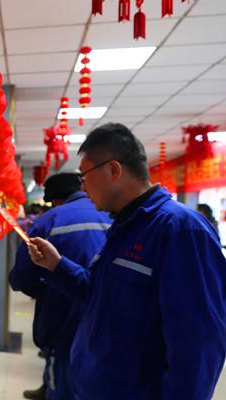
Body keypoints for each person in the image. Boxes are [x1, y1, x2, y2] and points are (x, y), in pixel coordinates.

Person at [27, 123, 226, 400]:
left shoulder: (180, 230)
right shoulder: (125, 226)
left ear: (113, 170)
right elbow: (101, 296)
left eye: (85, 176)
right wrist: (57, 265)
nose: (82, 187)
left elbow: (198, 343)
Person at [9, 173, 111, 400]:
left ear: (56, 200)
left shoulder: (48, 221)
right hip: (108, 311)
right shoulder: (113, 214)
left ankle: (53, 390)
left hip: (62, 311)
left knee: (62, 369)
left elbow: (23, 277)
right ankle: (47, 385)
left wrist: (42, 291)